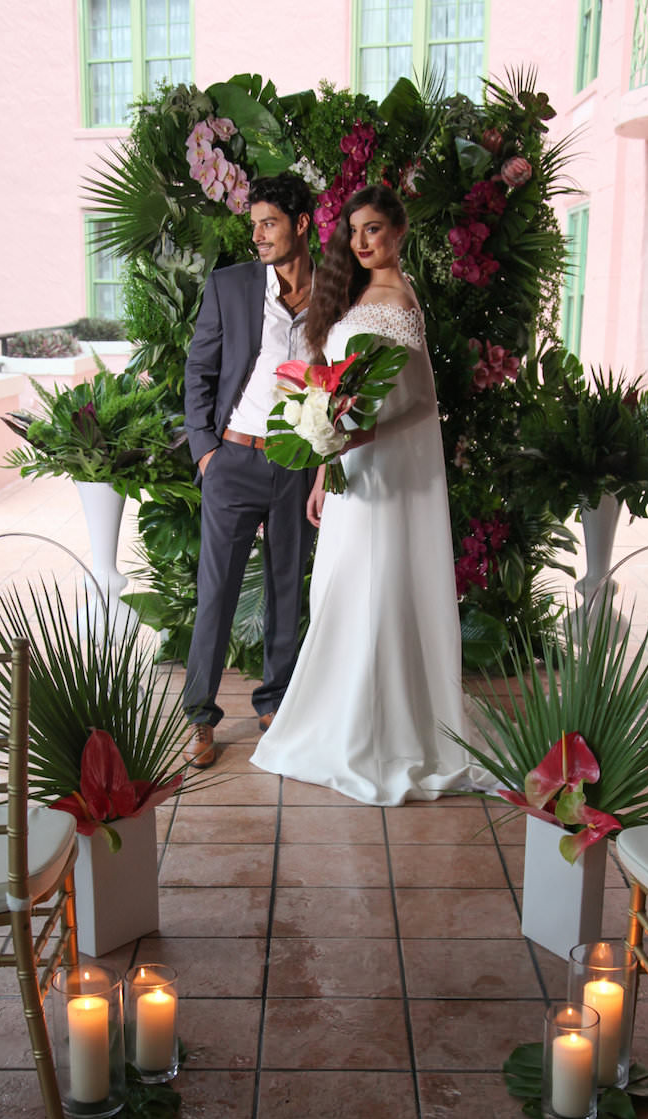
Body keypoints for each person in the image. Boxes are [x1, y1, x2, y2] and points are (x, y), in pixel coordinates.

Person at [250, 185, 479, 806]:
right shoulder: (358, 296)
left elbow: (415, 401)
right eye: (354, 231)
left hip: (383, 470)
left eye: (373, 229)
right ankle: (342, 717)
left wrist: (351, 432)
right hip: (354, 467)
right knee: (342, 586)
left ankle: (379, 732)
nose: (361, 241)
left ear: (399, 232)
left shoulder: (400, 301)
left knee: (376, 585)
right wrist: (325, 465)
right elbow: (333, 391)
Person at [182, 172, 317, 768]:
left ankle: (275, 702)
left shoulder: (336, 292)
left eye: (269, 223)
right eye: (254, 223)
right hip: (233, 459)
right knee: (217, 591)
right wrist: (207, 451)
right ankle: (200, 716)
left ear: (301, 225)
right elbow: (199, 373)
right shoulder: (231, 286)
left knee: (287, 588)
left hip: (297, 462)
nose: (258, 235)